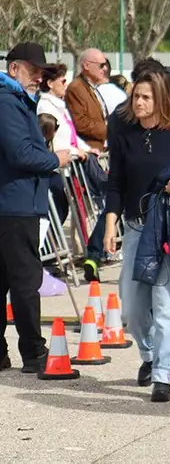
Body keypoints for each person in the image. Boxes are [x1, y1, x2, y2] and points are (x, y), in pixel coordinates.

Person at [102, 68, 170, 402]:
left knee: (168, 306)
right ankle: (148, 356)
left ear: (159, 99)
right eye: (135, 96)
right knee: (132, 307)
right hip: (135, 228)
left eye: (145, 97)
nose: (139, 102)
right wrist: (110, 224)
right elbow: (115, 182)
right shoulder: (124, 134)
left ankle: (163, 376)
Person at [0, 43, 72, 374]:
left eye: (42, 73)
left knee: (7, 279)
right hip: (16, 204)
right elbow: (21, 154)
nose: (38, 78)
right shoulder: (8, 102)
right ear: (14, 69)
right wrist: (53, 159)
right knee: (26, 282)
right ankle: (34, 352)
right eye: (34, 71)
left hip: (15, 202)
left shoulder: (18, 102)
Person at [66, 48, 111, 152]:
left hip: (98, 151)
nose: (104, 69)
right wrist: (110, 130)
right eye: (101, 65)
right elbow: (81, 124)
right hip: (88, 154)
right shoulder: (76, 88)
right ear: (86, 65)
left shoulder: (89, 87)